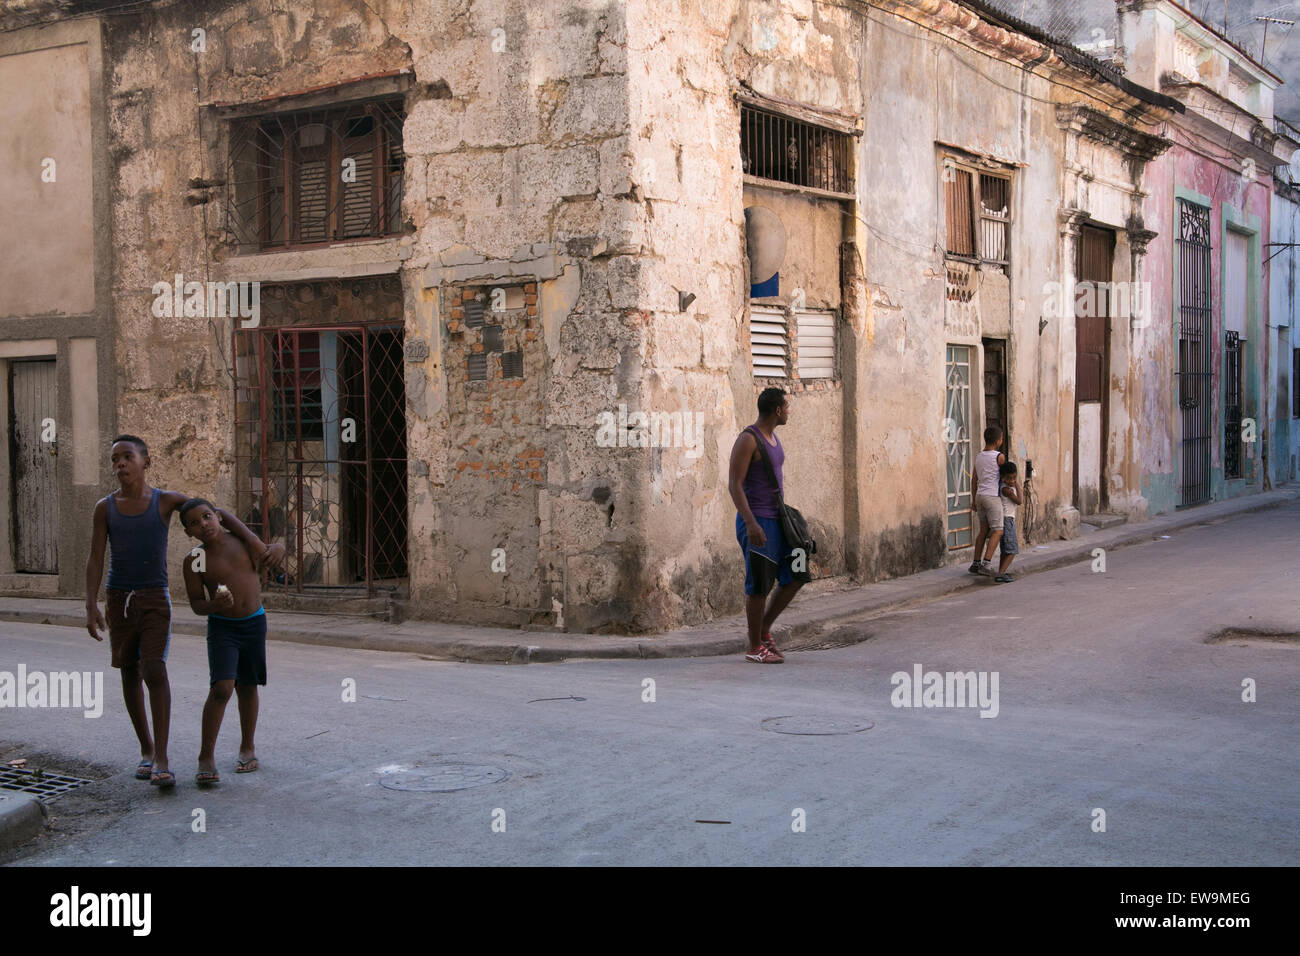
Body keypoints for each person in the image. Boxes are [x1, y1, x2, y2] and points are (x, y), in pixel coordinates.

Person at [84, 435, 282, 788]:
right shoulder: (106, 508)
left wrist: (255, 539)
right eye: (115, 460)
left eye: (127, 457)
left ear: (146, 461)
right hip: (119, 598)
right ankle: (148, 751)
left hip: (157, 597)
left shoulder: (166, 502)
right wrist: (90, 603)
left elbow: (213, 513)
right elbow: (97, 556)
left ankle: (163, 756)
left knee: (155, 669)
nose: (120, 465)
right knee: (129, 671)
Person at [180, 498, 270, 786]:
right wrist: (216, 605)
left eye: (206, 516)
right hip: (223, 627)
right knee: (222, 687)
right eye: (194, 523)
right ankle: (206, 756)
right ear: (188, 532)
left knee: (248, 686)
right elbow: (196, 604)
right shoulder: (196, 559)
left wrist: (277, 550)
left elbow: (268, 555)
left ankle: (248, 747)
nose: (203, 524)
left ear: (217, 516)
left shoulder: (242, 542)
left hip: (254, 622)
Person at [728, 387, 809, 663]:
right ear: (777, 410)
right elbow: (735, 485)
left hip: (779, 521)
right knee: (759, 585)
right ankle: (754, 647)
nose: (789, 411)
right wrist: (750, 523)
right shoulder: (748, 440)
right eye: (787, 406)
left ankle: (764, 628)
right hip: (757, 521)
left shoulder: (773, 438)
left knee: (797, 573)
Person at [968, 426, 1006, 577]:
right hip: (991, 496)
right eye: (1001, 439)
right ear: (998, 441)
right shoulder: (999, 457)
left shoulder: (979, 456)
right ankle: (987, 563)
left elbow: (974, 480)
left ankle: (975, 562)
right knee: (998, 530)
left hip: (980, 496)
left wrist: (973, 500)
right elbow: (1005, 474)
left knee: (983, 530)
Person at [995, 461, 1021, 584]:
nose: (1012, 481)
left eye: (1014, 478)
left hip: (1007, 519)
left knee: (1005, 550)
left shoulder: (1004, 486)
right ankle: (1000, 574)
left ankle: (1002, 571)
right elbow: (1019, 501)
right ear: (1003, 477)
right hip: (1007, 520)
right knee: (1012, 550)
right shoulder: (1007, 490)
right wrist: (1017, 486)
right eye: (1009, 478)